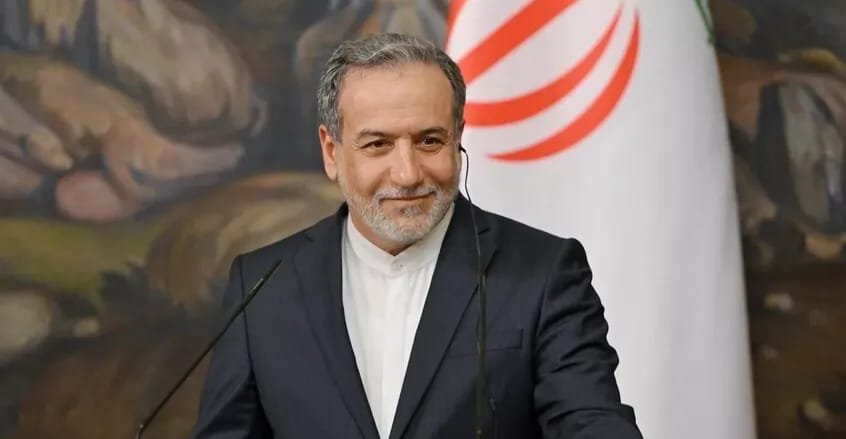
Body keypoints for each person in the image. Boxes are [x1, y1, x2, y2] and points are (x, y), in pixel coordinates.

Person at [192, 33, 642, 439]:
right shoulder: (262, 283)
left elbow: (592, 421)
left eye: (429, 141)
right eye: (378, 144)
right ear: (332, 151)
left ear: (458, 139)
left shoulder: (543, 272)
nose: (407, 174)